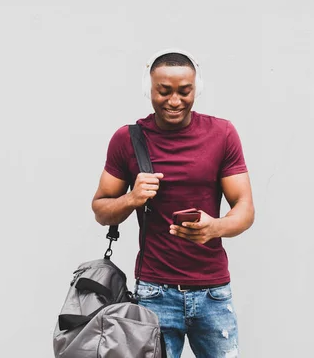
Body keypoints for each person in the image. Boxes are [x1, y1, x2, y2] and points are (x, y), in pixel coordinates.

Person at [91, 49, 255, 358]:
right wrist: (132, 198)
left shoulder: (223, 134)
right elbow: (100, 209)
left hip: (213, 293)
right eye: (164, 91)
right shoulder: (127, 139)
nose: (174, 101)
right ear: (148, 88)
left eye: (184, 91)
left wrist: (215, 227)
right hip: (154, 294)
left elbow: (245, 208)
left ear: (198, 89)